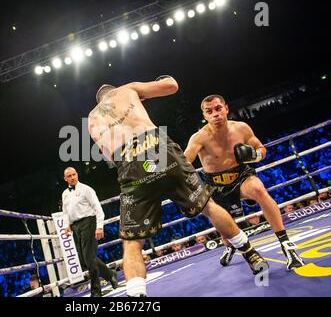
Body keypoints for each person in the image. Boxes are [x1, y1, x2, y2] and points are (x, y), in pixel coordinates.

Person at [88, 77, 267, 297]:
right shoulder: (127, 89)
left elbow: (110, 157)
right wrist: (158, 83)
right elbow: (171, 86)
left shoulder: (92, 119)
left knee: (132, 242)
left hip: (130, 164)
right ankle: (250, 254)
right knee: (208, 207)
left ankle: (137, 297)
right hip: (159, 149)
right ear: (114, 91)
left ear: (98, 101)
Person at [184, 94, 304, 270]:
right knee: (226, 226)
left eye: (218, 108)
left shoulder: (241, 128)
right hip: (215, 184)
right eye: (209, 111)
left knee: (258, 189)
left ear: (226, 109)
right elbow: (186, 159)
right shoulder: (199, 138)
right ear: (205, 116)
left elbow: (261, 149)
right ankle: (229, 246)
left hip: (241, 175)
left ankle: (286, 245)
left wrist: (254, 155)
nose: (215, 114)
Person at [62, 167, 118, 297]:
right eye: (69, 176)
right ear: (65, 179)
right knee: (84, 260)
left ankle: (96, 291)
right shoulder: (65, 193)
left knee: (88, 258)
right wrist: (67, 225)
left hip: (89, 222)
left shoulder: (86, 189)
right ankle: (110, 274)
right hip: (75, 227)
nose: (72, 177)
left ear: (77, 174)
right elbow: (66, 212)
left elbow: (97, 208)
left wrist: (99, 227)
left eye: (74, 174)